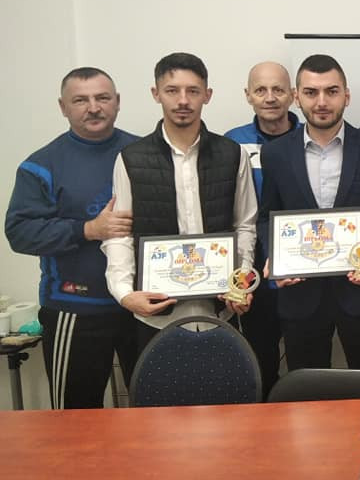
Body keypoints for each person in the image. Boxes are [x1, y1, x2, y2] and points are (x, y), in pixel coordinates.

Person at [102, 53, 257, 349]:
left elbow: (245, 225)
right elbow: (120, 233)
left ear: (207, 95)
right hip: (155, 317)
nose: (183, 100)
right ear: (156, 93)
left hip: (220, 312)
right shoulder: (131, 159)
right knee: (159, 383)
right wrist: (124, 293)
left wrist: (241, 282)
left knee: (225, 381)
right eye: (172, 90)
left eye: (193, 91)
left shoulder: (233, 154)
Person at [5, 68, 138, 409]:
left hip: (143, 307)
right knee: (75, 417)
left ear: (117, 102)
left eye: (102, 98)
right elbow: (19, 233)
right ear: (63, 107)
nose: (93, 107)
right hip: (76, 309)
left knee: (157, 407)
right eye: (80, 100)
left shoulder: (145, 153)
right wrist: (88, 229)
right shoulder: (41, 165)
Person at [258, 54, 360, 372]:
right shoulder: (276, 154)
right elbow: (267, 216)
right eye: (311, 92)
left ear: (346, 96)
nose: (321, 102)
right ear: (297, 97)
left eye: (331, 91)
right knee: (308, 392)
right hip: (300, 296)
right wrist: (274, 256)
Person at [225, 61, 299, 397]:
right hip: (251, 265)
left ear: (293, 95)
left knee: (303, 356)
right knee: (260, 356)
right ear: (248, 95)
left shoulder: (310, 136)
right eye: (261, 90)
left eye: (278, 89)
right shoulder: (232, 143)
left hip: (300, 264)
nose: (270, 98)